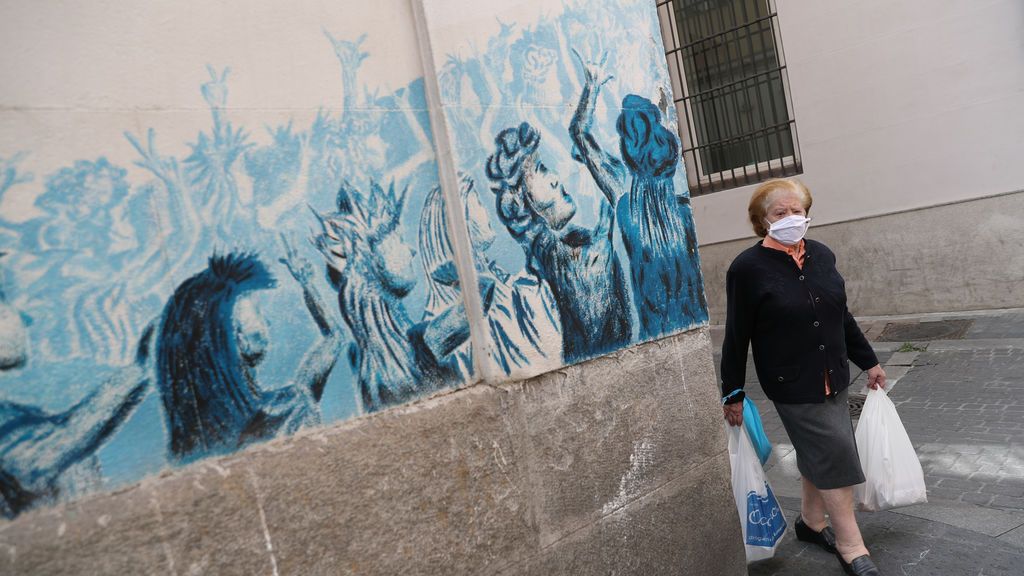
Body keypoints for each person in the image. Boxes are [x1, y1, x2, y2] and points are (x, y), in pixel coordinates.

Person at [720, 178, 886, 576]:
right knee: (835, 455)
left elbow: (840, 316)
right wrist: (733, 391)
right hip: (791, 382)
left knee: (822, 453)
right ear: (763, 221)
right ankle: (851, 544)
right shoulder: (747, 268)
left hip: (834, 374)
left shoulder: (822, 256)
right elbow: (737, 334)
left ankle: (811, 523)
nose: (791, 218)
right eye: (780, 213)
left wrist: (870, 361)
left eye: (797, 210)